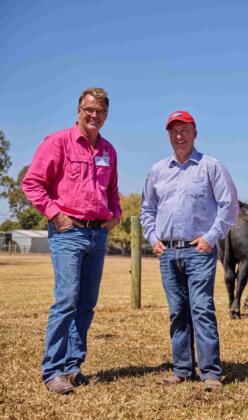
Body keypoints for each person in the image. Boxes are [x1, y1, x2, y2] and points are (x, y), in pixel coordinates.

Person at [22, 87, 121, 394]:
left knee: (86, 304)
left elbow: (112, 192)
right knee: (66, 301)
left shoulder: (109, 150)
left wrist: (115, 215)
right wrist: (56, 215)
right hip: (69, 232)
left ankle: (73, 366)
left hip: (97, 234)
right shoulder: (58, 143)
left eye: (100, 111)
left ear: (106, 115)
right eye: (89, 110)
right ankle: (52, 371)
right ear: (79, 111)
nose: (94, 116)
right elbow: (32, 183)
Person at [140, 110, 238, 393]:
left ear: (195, 133)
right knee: (177, 311)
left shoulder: (210, 166)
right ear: (168, 135)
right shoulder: (158, 170)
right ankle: (182, 369)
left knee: (201, 309)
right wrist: (153, 237)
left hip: (198, 251)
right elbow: (147, 209)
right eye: (174, 131)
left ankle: (210, 373)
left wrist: (210, 237)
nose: (179, 136)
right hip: (168, 253)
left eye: (184, 130)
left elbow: (229, 207)